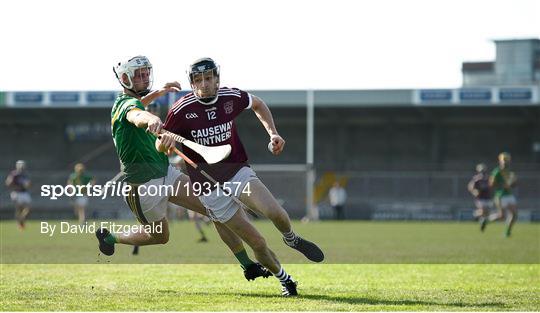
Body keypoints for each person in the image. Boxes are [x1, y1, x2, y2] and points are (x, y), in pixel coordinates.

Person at [96, 55, 271, 284]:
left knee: (214, 208)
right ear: (125, 79)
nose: (145, 77)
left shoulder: (133, 100)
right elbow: (136, 113)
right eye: (139, 75)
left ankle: (248, 265)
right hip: (144, 187)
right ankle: (111, 238)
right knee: (160, 237)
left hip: (166, 174)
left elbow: (139, 104)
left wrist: (159, 93)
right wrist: (150, 120)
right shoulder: (125, 106)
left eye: (146, 72)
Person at [162, 57, 325, 295]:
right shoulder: (180, 110)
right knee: (258, 243)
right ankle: (285, 279)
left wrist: (273, 134)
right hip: (208, 187)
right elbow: (163, 143)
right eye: (199, 80)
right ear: (192, 82)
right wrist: (164, 143)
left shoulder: (231, 97)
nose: (205, 84)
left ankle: (291, 238)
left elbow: (258, 104)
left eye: (209, 78)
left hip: (236, 171)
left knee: (274, 212)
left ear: (217, 78)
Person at [488, 152, 518, 237]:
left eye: (507, 160)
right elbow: (491, 184)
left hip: (509, 195)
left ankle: (507, 233)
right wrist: (502, 185)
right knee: (501, 216)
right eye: (504, 160)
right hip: (500, 195)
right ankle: (486, 220)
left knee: (514, 214)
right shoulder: (497, 171)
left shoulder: (510, 172)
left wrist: (513, 183)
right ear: (500, 161)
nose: (505, 162)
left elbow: (514, 184)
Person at [5, 160, 31, 230]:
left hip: (24, 193)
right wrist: (16, 186)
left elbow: (28, 184)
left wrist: (27, 185)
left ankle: (21, 220)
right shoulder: (14, 174)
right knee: (19, 209)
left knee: (28, 208)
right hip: (17, 193)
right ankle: (20, 224)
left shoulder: (25, 174)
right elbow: (8, 183)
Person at [467, 163, 493, 232]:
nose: (483, 172)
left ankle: (482, 222)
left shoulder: (488, 178)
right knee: (483, 211)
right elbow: (470, 187)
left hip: (488, 197)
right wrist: (474, 191)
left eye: (483, 170)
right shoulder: (476, 179)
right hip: (480, 198)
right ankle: (474, 214)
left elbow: (491, 186)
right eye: (481, 170)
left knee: (487, 214)